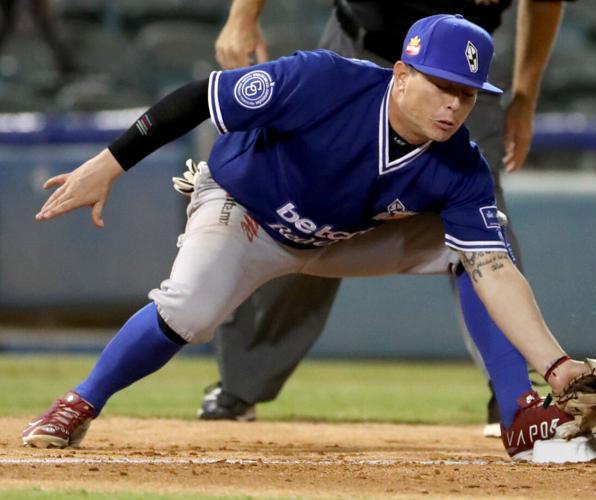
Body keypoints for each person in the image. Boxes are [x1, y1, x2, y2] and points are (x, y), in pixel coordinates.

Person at [21, 14, 584, 460]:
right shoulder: (322, 81)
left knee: (477, 253)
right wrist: (110, 163)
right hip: (247, 214)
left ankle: (518, 412)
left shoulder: (462, 166)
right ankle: (78, 403)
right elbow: (199, 96)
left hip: (341, 237)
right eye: (441, 85)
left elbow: (496, 268)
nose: (453, 105)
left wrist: (558, 366)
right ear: (401, 73)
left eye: (466, 93)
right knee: (189, 311)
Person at [204, 0, 566, 438]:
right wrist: (243, 16)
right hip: (362, 47)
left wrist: (525, 95)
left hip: (462, 74)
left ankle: (512, 396)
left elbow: (544, 2)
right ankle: (242, 385)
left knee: (483, 226)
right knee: (300, 210)